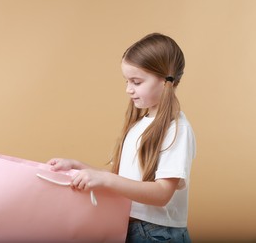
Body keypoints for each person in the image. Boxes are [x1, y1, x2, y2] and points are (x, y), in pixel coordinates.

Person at [47, 33, 196, 243]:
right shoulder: (140, 124)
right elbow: (125, 182)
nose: (128, 89)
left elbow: (162, 194)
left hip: (156, 234)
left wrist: (106, 179)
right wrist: (79, 167)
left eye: (136, 81)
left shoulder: (176, 129)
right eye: (127, 81)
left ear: (165, 81)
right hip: (130, 226)